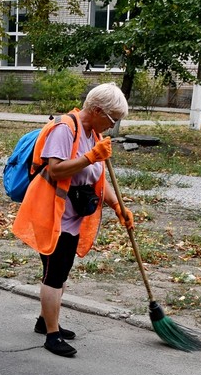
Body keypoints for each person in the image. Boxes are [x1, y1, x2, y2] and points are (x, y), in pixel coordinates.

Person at [11, 82, 135, 358]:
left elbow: (95, 179)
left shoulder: (92, 133)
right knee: (54, 275)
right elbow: (56, 171)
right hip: (52, 215)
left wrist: (117, 206)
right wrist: (91, 156)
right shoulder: (65, 129)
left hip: (70, 216)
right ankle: (51, 336)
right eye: (113, 120)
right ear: (97, 110)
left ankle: (46, 321)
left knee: (60, 272)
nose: (113, 127)